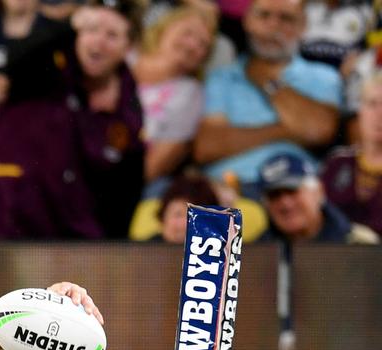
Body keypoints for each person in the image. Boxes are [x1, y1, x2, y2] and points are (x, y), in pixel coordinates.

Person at [0, 0, 145, 240]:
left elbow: (125, 187)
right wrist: (67, 24)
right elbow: (14, 62)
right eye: (91, 30)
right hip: (5, 205)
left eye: (112, 35)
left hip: (69, 232)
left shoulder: (128, 111)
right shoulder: (50, 63)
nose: (99, 41)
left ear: (128, 46)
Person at [194, 0, 342, 192]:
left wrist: (268, 82)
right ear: (247, 21)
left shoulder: (323, 76)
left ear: (303, 25)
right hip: (225, 188)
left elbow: (319, 131)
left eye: (286, 18)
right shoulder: (222, 77)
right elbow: (207, 147)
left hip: (294, 189)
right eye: (263, 15)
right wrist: (287, 130)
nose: (273, 25)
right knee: (174, 211)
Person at [132, 6, 217, 186]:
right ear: (163, 28)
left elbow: (155, 166)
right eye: (188, 33)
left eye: (203, 44)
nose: (193, 45)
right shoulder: (122, 55)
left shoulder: (191, 94)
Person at [258, 152, 380, 243]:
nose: (285, 203)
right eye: (274, 195)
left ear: (319, 192)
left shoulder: (359, 244)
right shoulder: (255, 255)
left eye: (292, 191)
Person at [320, 76, 382, 232]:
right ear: (359, 111)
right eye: (372, 104)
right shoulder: (337, 164)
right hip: (334, 255)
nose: (379, 114)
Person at [151, 174, 221, 243]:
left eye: (193, 217)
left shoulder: (224, 251)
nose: (184, 224)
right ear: (163, 218)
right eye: (178, 215)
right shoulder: (146, 250)